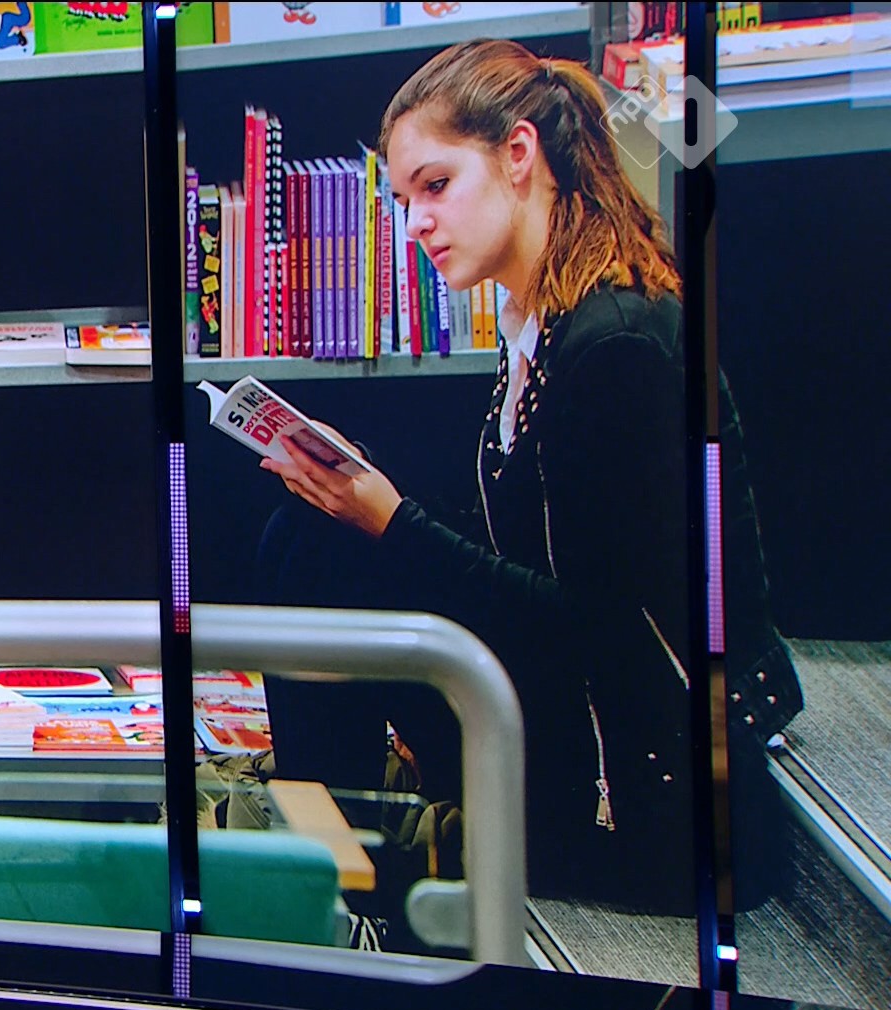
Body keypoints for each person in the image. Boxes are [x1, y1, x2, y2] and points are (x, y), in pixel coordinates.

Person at [254, 40, 800, 914]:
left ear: (518, 155)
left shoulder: (616, 343)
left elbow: (595, 625)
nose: (416, 223)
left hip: (648, 801)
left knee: (334, 547)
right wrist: (369, 497)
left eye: (436, 186)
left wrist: (394, 524)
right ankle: (332, 843)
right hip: (578, 717)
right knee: (308, 530)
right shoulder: (544, 320)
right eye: (404, 200)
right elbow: (529, 552)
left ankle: (337, 868)